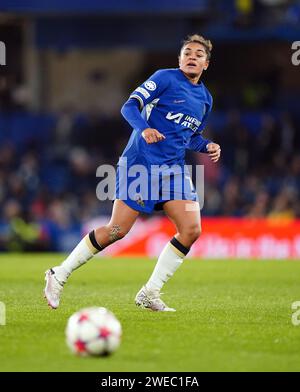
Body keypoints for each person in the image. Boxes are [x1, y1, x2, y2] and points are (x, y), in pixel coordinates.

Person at [44, 34, 221, 312]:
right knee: (117, 230)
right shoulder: (164, 78)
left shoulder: (206, 99)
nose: (192, 57)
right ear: (179, 58)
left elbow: (190, 137)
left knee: (191, 229)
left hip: (173, 169)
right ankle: (59, 273)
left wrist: (207, 144)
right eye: (187, 52)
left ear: (206, 64)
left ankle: (150, 293)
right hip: (140, 163)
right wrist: (145, 128)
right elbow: (129, 106)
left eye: (198, 54)